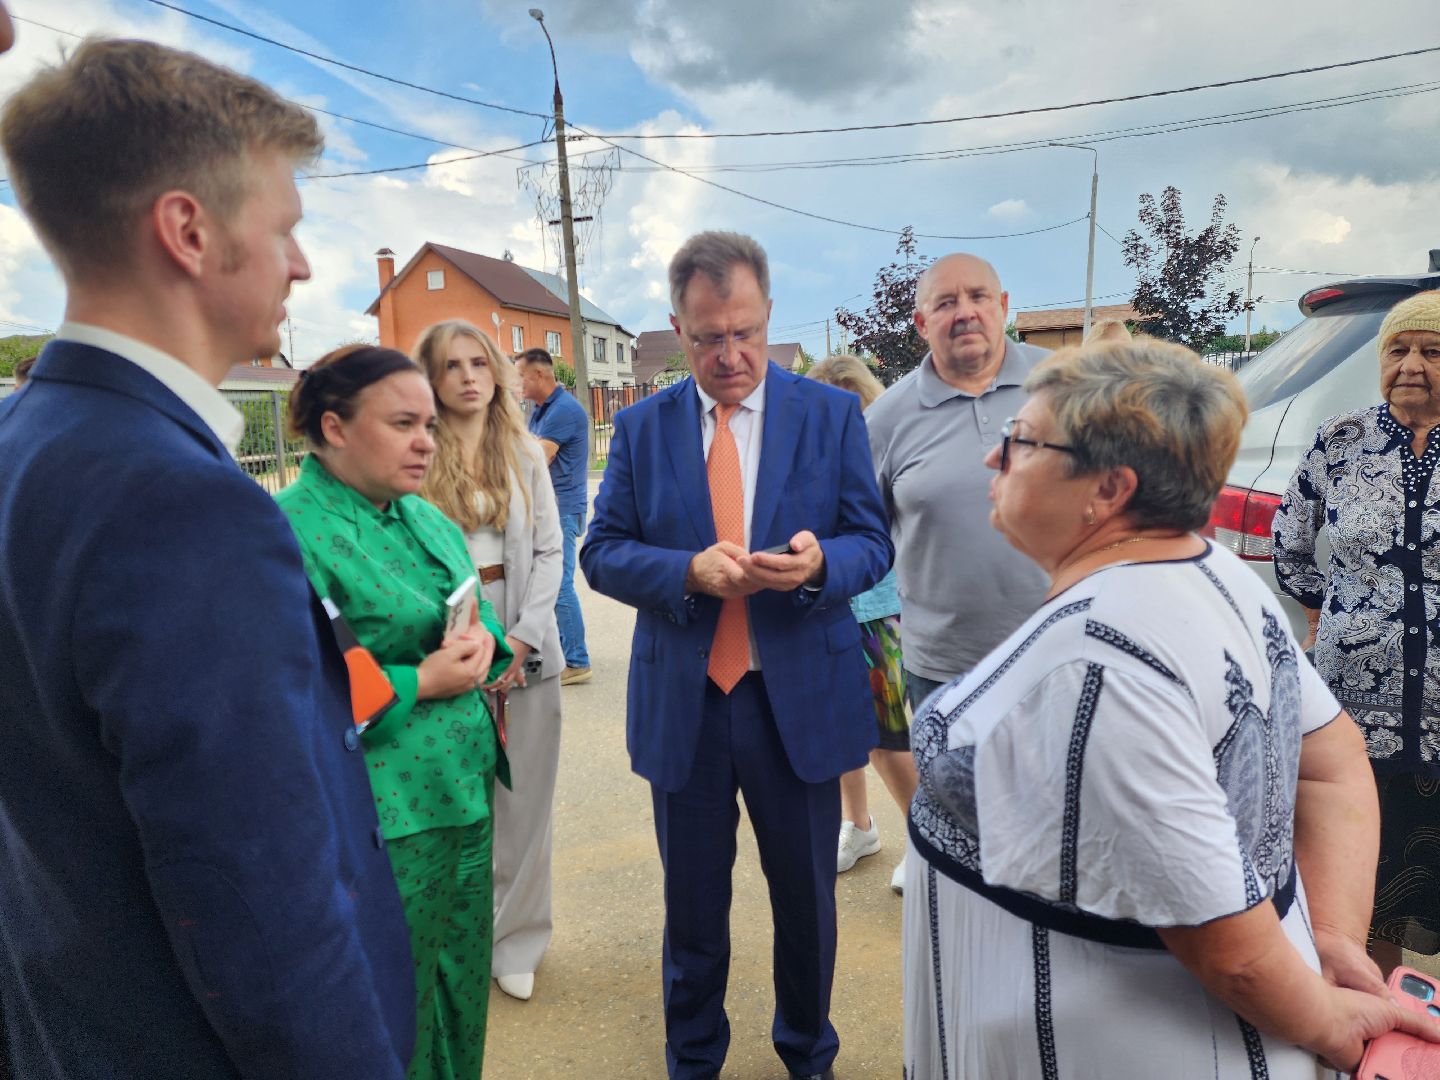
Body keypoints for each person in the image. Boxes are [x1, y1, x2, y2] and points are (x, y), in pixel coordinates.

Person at [0, 39, 414, 1079]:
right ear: (187, 229)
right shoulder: (184, 504)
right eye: (284, 228)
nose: (303, 265)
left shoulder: (26, 446)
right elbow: (263, 909)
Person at [902, 338, 1439, 1078]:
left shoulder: (1100, 665)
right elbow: (1334, 763)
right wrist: (1336, 940)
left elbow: (1236, 954)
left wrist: (1336, 1029)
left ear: (1107, 490)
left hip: (1115, 1048)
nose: (995, 460)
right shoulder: (1208, 568)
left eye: (1020, 441)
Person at [581, 231, 892, 1080]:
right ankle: (694, 1058)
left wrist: (822, 564)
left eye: (746, 333)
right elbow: (601, 552)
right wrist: (682, 570)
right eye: (709, 337)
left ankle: (807, 1052)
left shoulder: (829, 416)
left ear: (767, 319)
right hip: (688, 701)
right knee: (693, 907)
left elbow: (872, 540)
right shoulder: (641, 430)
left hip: (794, 698)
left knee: (806, 902)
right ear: (678, 329)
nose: (730, 356)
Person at [276, 344, 511, 1080]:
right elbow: (294, 693)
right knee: (392, 1007)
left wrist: (484, 646)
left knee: (462, 988)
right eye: (404, 423)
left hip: (464, 791)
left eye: (431, 426)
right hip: (384, 817)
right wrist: (424, 681)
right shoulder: (286, 533)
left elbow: (480, 619)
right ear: (334, 426)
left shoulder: (425, 516)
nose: (426, 442)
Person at [1273, 290, 1440, 975]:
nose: (1411, 365)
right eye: (1397, 350)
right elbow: (1291, 545)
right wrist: (1331, 617)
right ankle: (1378, 1043)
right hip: (1355, 726)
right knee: (1367, 901)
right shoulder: (1341, 442)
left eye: (1432, 351)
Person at [415, 320, 565, 1003]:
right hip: (450, 640)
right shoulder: (416, 452)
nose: (470, 376)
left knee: (525, 803)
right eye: (453, 366)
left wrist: (525, 641)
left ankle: (520, 939)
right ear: (433, 379)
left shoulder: (526, 452)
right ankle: (461, 940)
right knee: (461, 805)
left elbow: (552, 552)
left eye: (480, 362)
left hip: (526, 634)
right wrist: (463, 647)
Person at [865, 254, 1050, 715]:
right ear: (921, 322)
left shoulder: (1065, 385)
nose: (965, 311)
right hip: (945, 673)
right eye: (945, 302)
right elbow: (863, 535)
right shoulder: (884, 420)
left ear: (1003, 305)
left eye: (978, 296)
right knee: (957, 790)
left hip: (1062, 649)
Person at [808, 355, 916, 895]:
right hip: (827, 609)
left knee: (885, 736)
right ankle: (860, 826)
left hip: (875, 610)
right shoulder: (809, 457)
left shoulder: (882, 454)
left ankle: (926, 843)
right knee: (838, 733)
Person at [518, 346, 592, 684]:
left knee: (559, 585)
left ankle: (577, 661)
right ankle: (566, 651)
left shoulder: (563, 411)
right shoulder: (541, 410)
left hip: (561, 508)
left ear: (539, 375)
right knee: (546, 583)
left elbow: (534, 459)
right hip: (548, 507)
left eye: (521, 375)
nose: (518, 382)